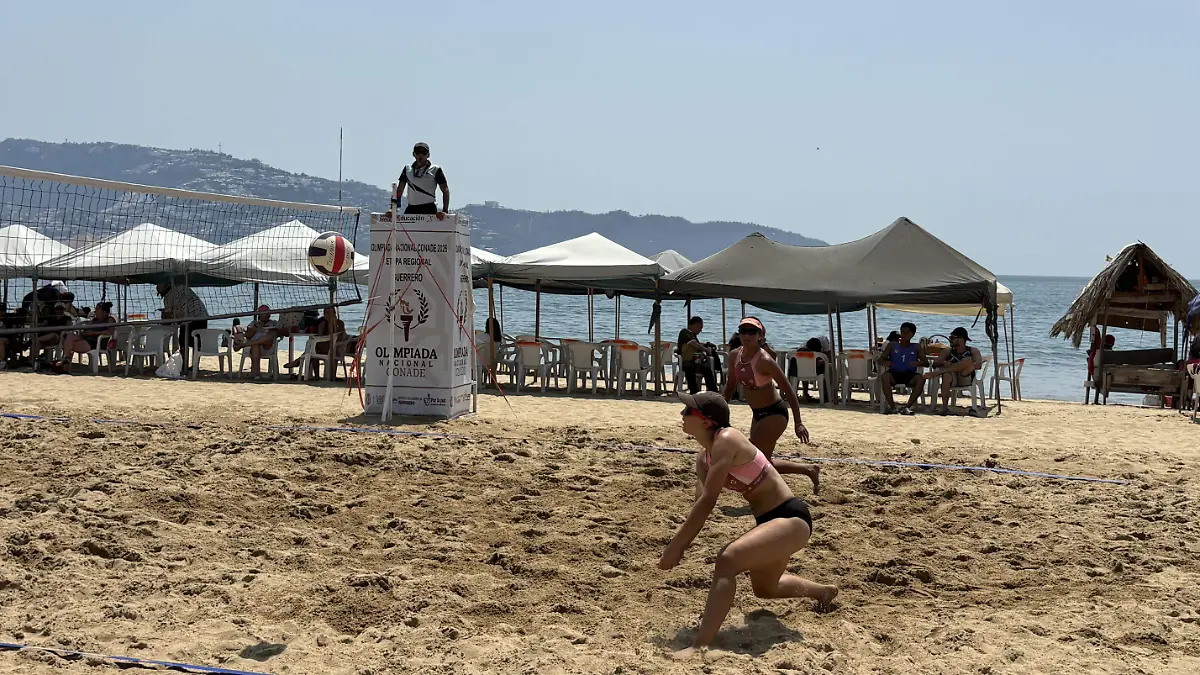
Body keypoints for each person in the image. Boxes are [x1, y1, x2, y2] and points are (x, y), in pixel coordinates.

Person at [660, 391, 838, 660]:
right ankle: (823, 592)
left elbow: (709, 502)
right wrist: (681, 544)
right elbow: (699, 505)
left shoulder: (727, 438)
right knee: (766, 589)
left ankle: (700, 646)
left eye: (687, 411)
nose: (681, 415)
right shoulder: (703, 458)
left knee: (727, 560)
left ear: (706, 421)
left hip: (791, 518)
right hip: (768, 521)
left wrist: (676, 547)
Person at [722, 317, 820, 493]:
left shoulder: (765, 360)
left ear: (761, 336)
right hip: (757, 413)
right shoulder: (734, 355)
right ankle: (808, 470)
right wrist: (720, 411)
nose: (747, 335)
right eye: (743, 331)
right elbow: (730, 386)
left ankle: (773, 491)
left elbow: (788, 389)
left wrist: (798, 422)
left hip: (775, 413)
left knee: (752, 457)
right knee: (762, 460)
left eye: (752, 332)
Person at [925, 327, 983, 415]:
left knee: (967, 361)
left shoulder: (972, 351)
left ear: (961, 339)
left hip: (965, 377)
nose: (950, 340)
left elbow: (978, 365)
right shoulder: (948, 351)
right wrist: (943, 363)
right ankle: (945, 408)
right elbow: (935, 363)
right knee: (946, 375)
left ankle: (940, 372)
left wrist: (962, 365)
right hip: (953, 379)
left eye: (952, 338)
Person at [158, 281, 209, 373]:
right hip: (202, 314)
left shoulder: (168, 297)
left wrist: (164, 319)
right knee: (197, 343)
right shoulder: (181, 285)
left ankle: (184, 366)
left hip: (189, 317)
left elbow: (168, 318)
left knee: (183, 342)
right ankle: (195, 366)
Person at [877, 321, 926, 415]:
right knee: (884, 376)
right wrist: (886, 362)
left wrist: (918, 363)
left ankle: (907, 407)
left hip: (910, 374)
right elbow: (880, 360)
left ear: (912, 334)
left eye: (907, 332)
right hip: (894, 373)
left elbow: (926, 363)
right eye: (903, 331)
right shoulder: (892, 345)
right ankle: (892, 407)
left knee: (921, 378)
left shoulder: (916, 347)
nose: (904, 334)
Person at [390, 142, 449, 219]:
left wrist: (445, 211)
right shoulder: (407, 169)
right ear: (414, 154)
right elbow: (399, 190)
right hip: (412, 208)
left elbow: (445, 190)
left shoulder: (435, 169)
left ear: (428, 155)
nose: (420, 155)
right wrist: (393, 209)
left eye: (424, 153)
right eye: (418, 152)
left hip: (429, 208)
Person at [55, 302, 116, 373]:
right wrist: (84, 332)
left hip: (98, 342)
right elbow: (89, 329)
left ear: (104, 312)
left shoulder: (110, 319)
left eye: (97, 309)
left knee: (70, 345)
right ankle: (66, 360)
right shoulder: (95, 320)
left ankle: (65, 361)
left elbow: (110, 332)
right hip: (88, 339)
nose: (95, 311)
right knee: (70, 336)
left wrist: (93, 333)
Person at [234, 305, 279, 378]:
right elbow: (248, 335)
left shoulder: (274, 323)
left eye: (266, 314)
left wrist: (274, 329)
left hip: (268, 347)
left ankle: (244, 345)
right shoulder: (254, 323)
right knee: (256, 345)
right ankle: (256, 374)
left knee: (272, 334)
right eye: (262, 314)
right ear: (259, 315)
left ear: (269, 314)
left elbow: (281, 333)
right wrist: (254, 328)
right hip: (255, 347)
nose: (265, 316)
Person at [678, 316, 717, 394]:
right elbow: (693, 343)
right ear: (694, 325)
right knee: (689, 367)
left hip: (696, 359)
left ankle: (712, 390)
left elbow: (697, 345)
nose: (700, 330)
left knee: (706, 368)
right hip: (686, 360)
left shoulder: (693, 335)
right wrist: (705, 349)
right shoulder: (685, 332)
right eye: (700, 327)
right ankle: (694, 391)